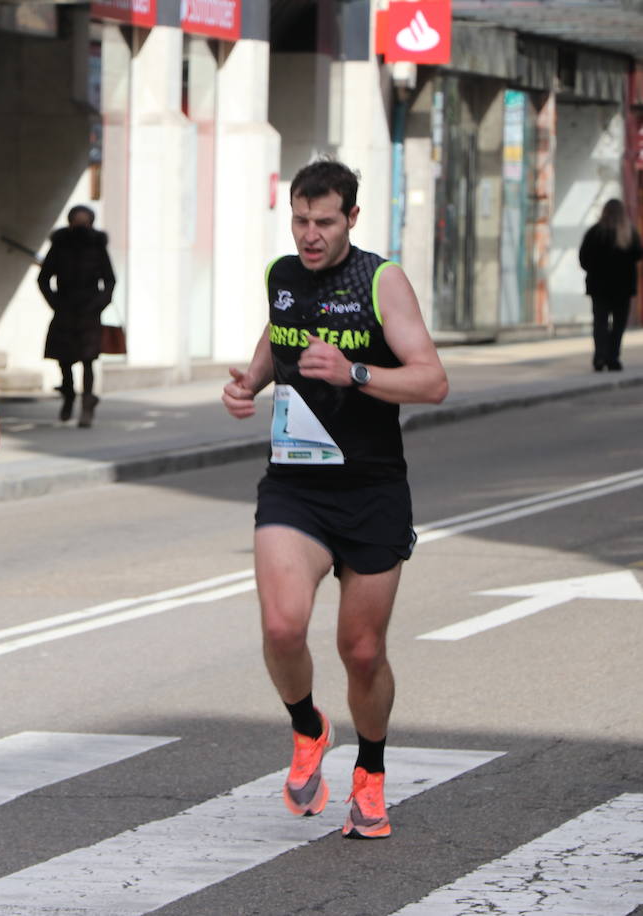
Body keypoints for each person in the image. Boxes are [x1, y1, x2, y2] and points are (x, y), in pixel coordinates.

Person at [221, 159, 447, 839]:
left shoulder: (381, 281)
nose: (309, 235)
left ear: (352, 217)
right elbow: (280, 332)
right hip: (295, 486)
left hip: (372, 490)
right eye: (299, 220)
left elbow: (431, 381)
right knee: (282, 627)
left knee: (362, 650)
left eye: (323, 222)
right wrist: (250, 381)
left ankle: (370, 771)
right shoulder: (282, 275)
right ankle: (307, 726)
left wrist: (354, 372)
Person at [37, 204, 115, 427]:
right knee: (64, 359)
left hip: (89, 312)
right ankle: (69, 394)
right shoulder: (60, 244)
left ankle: (87, 403)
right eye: (77, 220)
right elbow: (43, 278)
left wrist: (99, 303)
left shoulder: (97, 246)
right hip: (65, 310)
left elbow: (110, 279)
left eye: (84, 221)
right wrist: (55, 303)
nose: (80, 225)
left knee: (88, 359)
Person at [577, 198, 642, 372]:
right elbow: (638, 255)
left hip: (599, 287)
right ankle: (613, 358)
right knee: (618, 325)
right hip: (623, 288)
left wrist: (595, 270)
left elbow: (583, 258)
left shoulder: (595, 233)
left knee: (600, 323)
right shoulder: (629, 234)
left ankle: (600, 356)